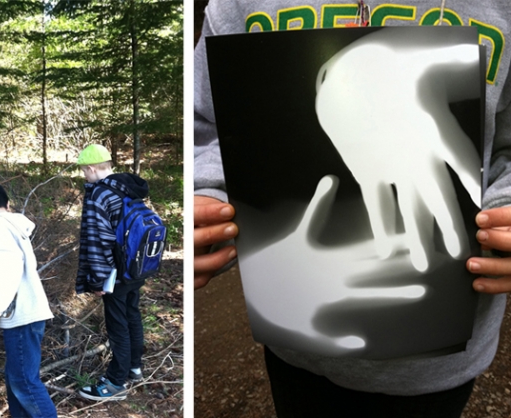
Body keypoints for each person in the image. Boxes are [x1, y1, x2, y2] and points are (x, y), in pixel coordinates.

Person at [193, 1, 511, 416]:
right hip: (298, 339)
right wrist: (209, 199)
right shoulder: (237, 5)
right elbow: (207, 125)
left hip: (440, 358)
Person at [73, 144, 151, 401]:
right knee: (132, 316)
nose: (85, 176)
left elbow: (99, 241)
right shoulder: (127, 188)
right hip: (136, 267)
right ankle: (134, 367)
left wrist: (97, 279)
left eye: (85, 171)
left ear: (93, 168)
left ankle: (116, 383)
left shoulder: (99, 195)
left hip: (115, 274)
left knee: (118, 325)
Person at [0, 182, 57, 418]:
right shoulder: (13, 224)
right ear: (7, 204)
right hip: (28, 313)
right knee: (15, 380)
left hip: (22, 316)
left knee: (25, 383)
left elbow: (9, 270)